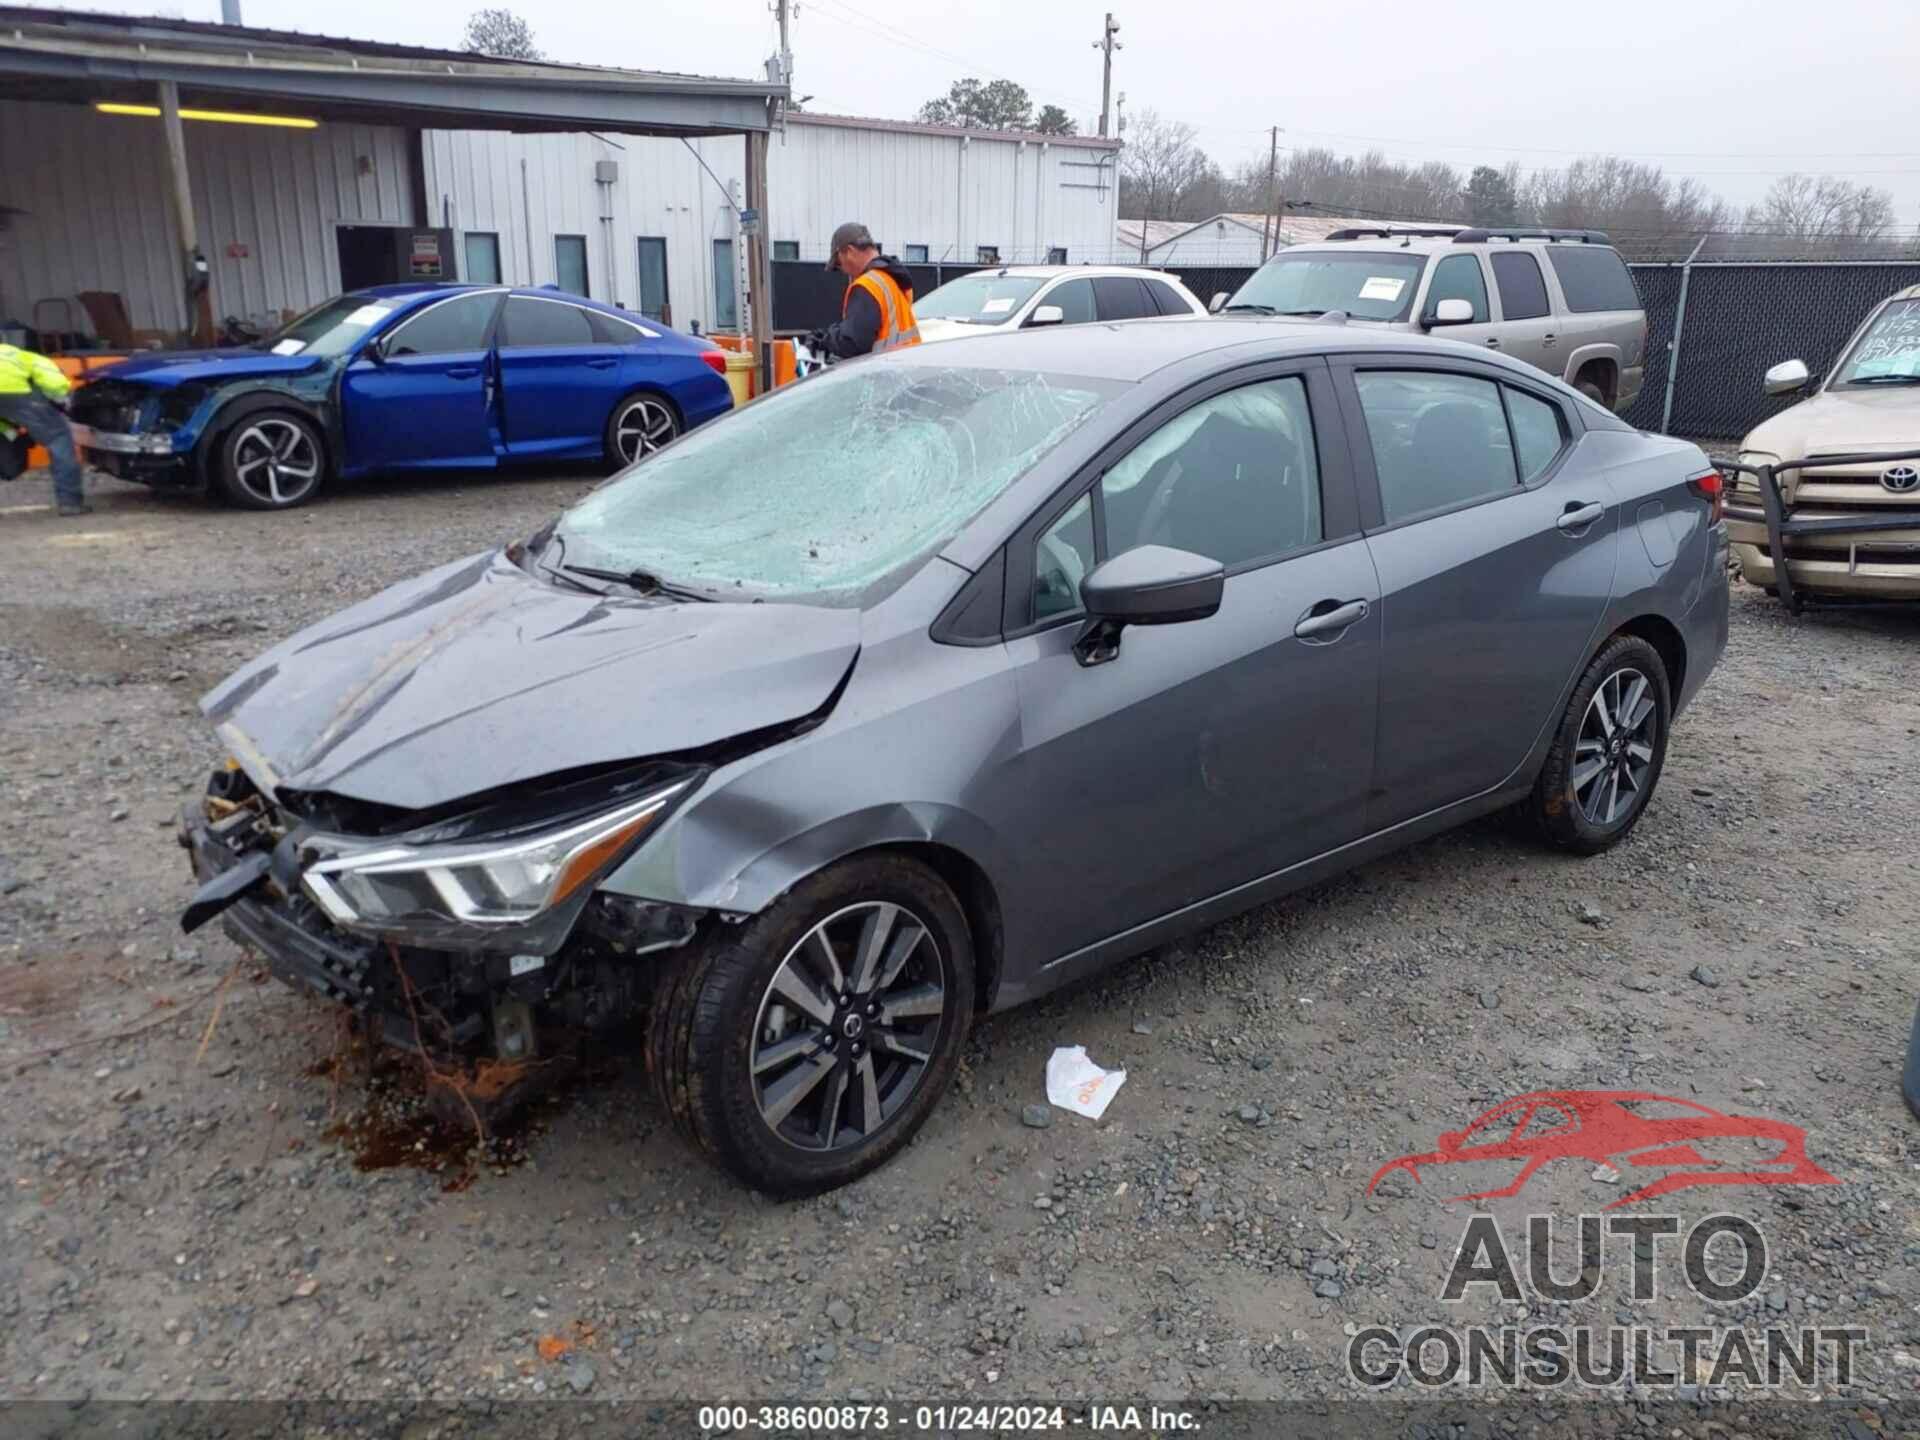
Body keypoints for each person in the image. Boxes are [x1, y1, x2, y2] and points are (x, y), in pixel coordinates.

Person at [807, 222, 920, 360]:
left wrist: (825, 341)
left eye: (838, 264)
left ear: (849, 251)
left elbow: (853, 343)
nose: (843, 270)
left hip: (881, 372)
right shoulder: (892, 279)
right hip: (905, 366)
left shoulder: (867, 286)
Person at [0, 341, 88, 515]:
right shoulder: (28, 358)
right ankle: (70, 503)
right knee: (59, 439)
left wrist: (8, 431)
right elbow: (55, 386)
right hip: (18, 395)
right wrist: (61, 402)